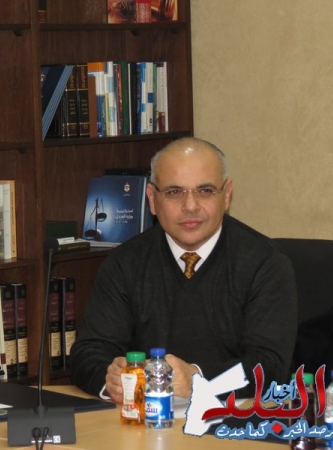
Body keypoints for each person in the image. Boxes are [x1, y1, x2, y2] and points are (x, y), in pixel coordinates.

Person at [70, 137, 298, 401]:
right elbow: (88, 351)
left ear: (226, 195)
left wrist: (200, 381)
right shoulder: (125, 262)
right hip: (147, 418)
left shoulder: (265, 263)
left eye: (205, 191)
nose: (190, 206)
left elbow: (270, 365)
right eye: (174, 192)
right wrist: (109, 379)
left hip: (236, 418)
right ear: (152, 199)